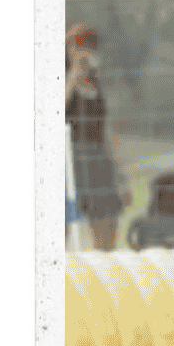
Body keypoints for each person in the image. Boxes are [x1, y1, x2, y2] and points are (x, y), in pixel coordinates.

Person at [64, 24, 128, 250]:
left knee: (108, 230)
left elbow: (108, 131)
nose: (86, 51)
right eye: (80, 45)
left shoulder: (99, 83)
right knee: (64, 230)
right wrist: (74, 75)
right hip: (68, 160)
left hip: (99, 160)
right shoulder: (60, 77)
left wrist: (121, 176)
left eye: (91, 46)